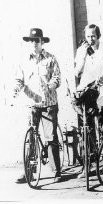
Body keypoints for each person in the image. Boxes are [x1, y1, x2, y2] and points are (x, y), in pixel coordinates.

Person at [13, 28, 62, 183]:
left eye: (37, 41)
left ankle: (56, 172)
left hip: (49, 104)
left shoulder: (51, 58)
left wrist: (51, 86)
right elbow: (19, 80)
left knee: (51, 137)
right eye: (31, 41)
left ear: (42, 42)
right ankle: (29, 172)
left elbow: (57, 78)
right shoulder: (23, 61)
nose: (34, 43)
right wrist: (14, 92)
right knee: (30, 138)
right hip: (32, 104)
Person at [72, 24, 103, 178]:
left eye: (93, 36)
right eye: (88, 36)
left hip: (100, 88)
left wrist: (100, 79)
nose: (91, 39)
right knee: (86, 128)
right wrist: (82, 55)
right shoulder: (81, 50)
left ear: (98, 36)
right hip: (85, 91)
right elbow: (77, 72)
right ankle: (87, 166)